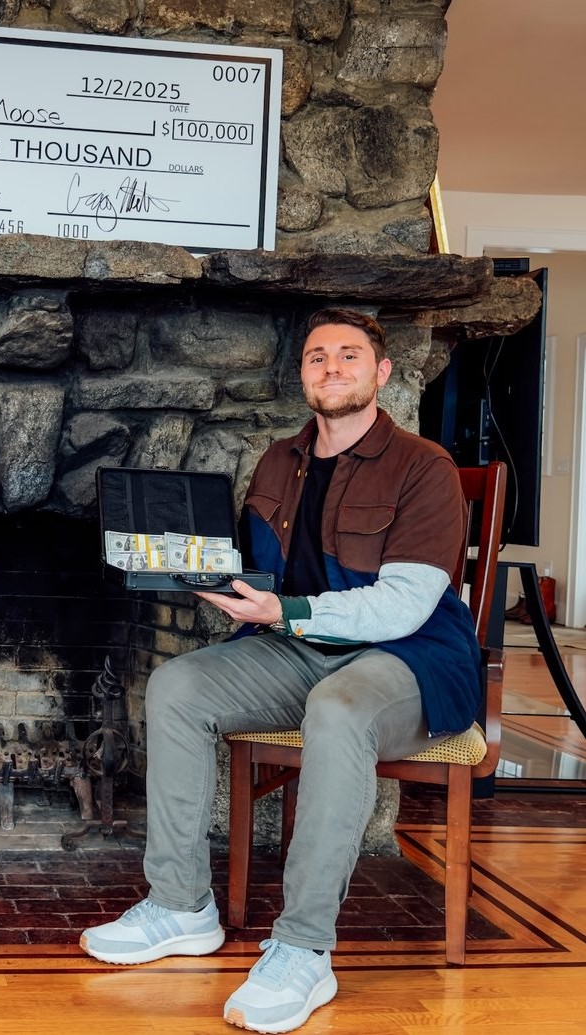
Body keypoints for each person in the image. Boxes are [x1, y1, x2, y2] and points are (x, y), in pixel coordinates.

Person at [80, 308, 480, 1033]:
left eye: (349, 356)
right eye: (317, 357)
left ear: (381, 373)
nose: (332, 368)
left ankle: (303, 949)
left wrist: (286, 611)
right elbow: (253, 575)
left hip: (409, 657)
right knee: (177, 685)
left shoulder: (426, 468)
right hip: (298, 648)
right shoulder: (276, 461)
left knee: (338, 707)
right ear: (302, 376)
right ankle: (180, 904)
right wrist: (183, 569)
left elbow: (402, 605)